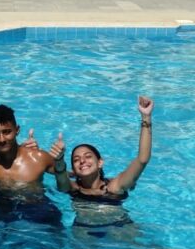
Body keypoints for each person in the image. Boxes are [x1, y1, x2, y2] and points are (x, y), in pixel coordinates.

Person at [55, 96, 154, 231]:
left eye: (88, 156)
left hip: (120, 226)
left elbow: (142, 160)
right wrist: (59, 159)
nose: (82, 161)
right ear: (73, 169)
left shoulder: (114, 186)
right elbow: (60, 176)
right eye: (76, 160)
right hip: (84, 229)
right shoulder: (72, 188)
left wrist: (146, 117)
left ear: (100, 162)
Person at [0, 104, 66, 187]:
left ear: (17, 130)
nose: (2, 139)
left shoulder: (38, 158)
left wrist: (60, 161)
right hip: (0, 206)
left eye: (7, 132)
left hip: (36, 207)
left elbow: (66, 185)